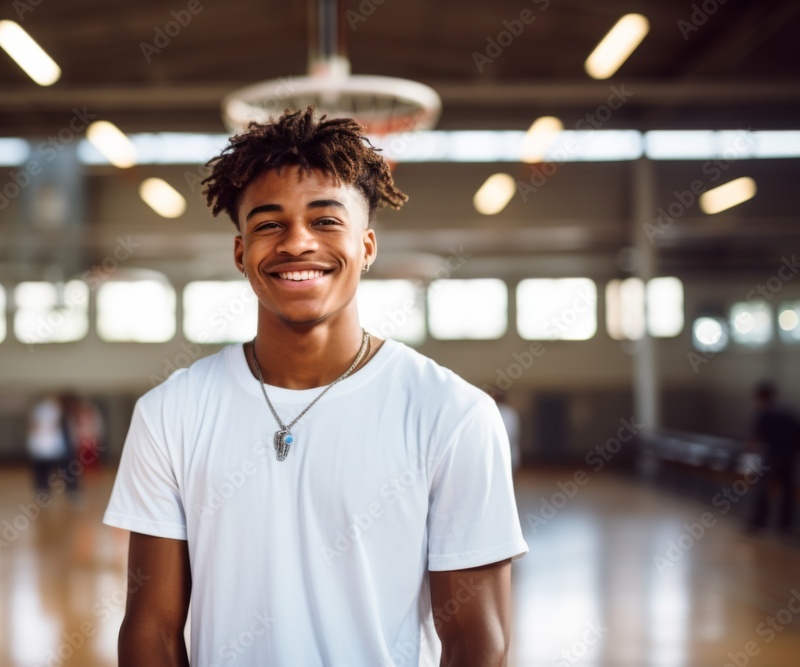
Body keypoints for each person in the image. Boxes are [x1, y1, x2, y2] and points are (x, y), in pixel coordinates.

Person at [103, 107, 528, 666]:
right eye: (268, 223)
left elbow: (478, 640)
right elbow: (150, 631)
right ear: (241, 253)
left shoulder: (453, 414)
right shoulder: (170, 413)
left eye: (326, 221)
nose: (296, 243)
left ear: (368, 246)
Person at [747, 380, 799, 533]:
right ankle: (785, 525)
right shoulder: (789, 412)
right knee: (787, 490)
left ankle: (759, 521)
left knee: (763, 488)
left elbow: (754, 439)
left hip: (772, 456)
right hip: (790, 456)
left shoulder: (763, 413)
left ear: (761, 397)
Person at [491, 390, 521, 472]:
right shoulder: (509, 412)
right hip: (504, 455)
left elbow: (510, 434)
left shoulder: (507, 412)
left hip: (505, 454)